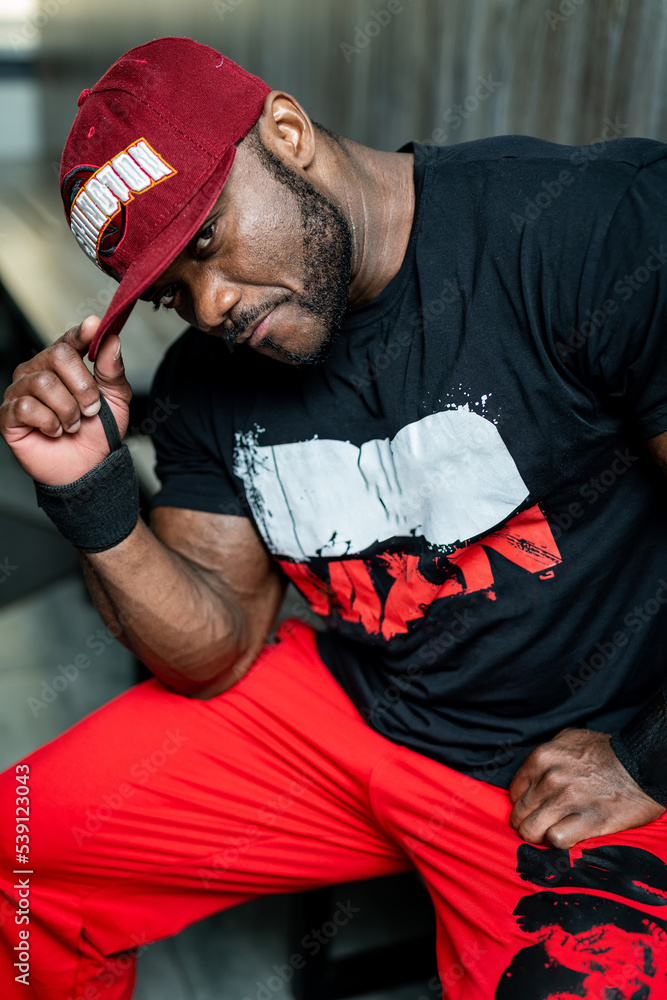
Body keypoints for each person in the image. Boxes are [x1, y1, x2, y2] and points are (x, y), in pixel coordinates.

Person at [1, 34, 667, 1000]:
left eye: (205, 241)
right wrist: (90, 493)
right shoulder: (209, 380)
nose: (213, 303)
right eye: (171, 295)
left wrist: (651, 753)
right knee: (21, 847)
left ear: (286, 130)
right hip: (358, 710)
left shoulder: (586, 228)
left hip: (584, 748)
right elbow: (215, 652)